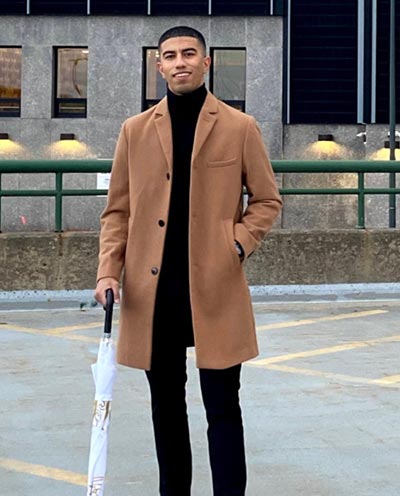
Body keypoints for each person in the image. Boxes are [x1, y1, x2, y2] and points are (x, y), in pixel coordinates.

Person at [95, 25, 282, 496]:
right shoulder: (134, 131)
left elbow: (266, 200)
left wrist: (236, 244)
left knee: (223, 408)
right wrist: (107, 272)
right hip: (153, 292)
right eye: (170, 55)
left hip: (216, 286)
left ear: (206, 62)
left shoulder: (240, 127)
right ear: (158, 66)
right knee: (166, 409)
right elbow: (117, 211)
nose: (180, 62)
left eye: (189, 53)